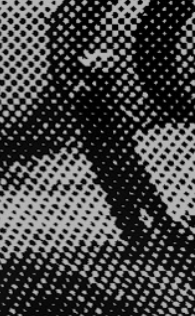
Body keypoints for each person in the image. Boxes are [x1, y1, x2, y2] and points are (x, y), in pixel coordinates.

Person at [69, 48, 182, 252]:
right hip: (109, 151)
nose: (114, 77)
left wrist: (135, 121)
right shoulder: (89, 94)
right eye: (110, 73)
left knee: (132, 190)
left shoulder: (93, 92)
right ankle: (145, 231)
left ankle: (150, 230)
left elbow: (120, 118)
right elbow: (111, 122)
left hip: (112, 151)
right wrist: (133, 123)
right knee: (129, 190)